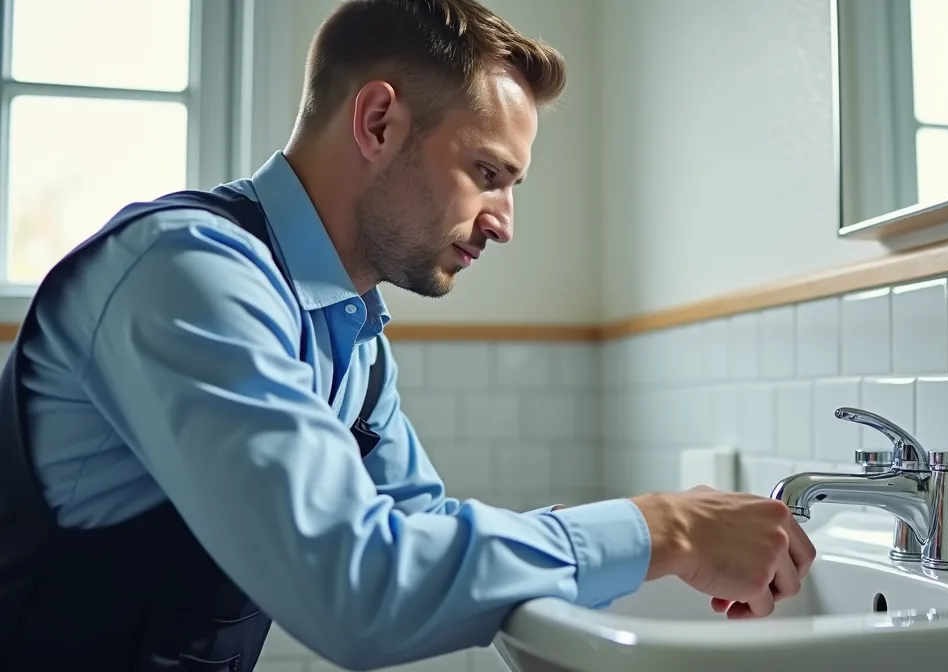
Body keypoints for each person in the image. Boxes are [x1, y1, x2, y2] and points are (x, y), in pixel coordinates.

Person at [0, 1, 816, 670]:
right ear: (380, 121)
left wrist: (654, 536)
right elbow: (361, 593)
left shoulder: (352, 336)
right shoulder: (187, 275)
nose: (504, 224)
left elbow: (422, 540)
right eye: (488, 174)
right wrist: (663, 528)